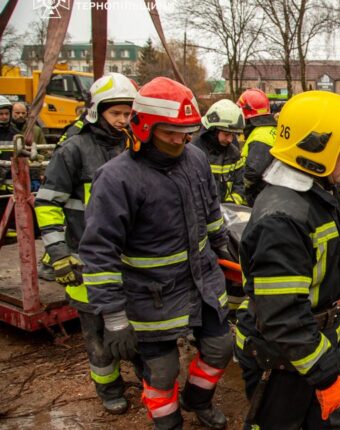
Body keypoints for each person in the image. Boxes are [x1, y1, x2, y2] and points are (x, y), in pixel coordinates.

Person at [79, 77, 233, 430]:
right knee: (162, 371)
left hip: (202, 283)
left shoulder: (195, 158)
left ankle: (198, 400)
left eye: (187, 132)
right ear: (146, 128)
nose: (182, 140)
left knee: (221, 348)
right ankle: (168, 422)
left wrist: (222, 243)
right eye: (171, 133)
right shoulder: (116, 178)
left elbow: (210, 208)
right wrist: (114, 317)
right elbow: (99, 250)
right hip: (151, 294)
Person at [234, 91, 340, 429]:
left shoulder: (316, 195)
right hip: (286, 358)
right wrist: (324, 375)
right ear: (317, 149)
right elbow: (282, 314)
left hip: (318, 341)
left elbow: (335, 249)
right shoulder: (282, 219)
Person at [34, 73, 138, 414]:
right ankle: (109, 388)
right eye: (116, 114)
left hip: (130, 258)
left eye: (127, 113)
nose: (123, 120)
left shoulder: (133, 145)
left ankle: (145, 375)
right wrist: (59, 252)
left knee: (136, 324)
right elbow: (48, 203)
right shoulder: (74, 149)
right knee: (96, 333)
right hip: (86, 258)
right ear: (96, 111)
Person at [191, 99, 247, 205]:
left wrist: (230, 206)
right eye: (226, 134)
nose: (230, 140)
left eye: (233, 135)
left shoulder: (234, 154)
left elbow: (240, 185)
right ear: (213, 131)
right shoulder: (193, 152)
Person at [237, 88, 278, 205]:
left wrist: (238, 186)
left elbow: (252, 172)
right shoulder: (269, 130)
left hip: (258, 198)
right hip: (269, 196)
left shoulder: (260, 135)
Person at [11, 102, 47, 190]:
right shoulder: (7, 130)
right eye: (17, 113)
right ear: (12, 112)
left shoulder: (36, 130)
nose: (20, 115)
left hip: (33, 173)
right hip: (11, 171)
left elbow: (44, 152)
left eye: (23, 113)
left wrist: (43, 172)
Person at [0, 96, 19, 239]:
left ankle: (8, 230)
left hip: (10, 180)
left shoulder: (15, 133)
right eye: (1, 114)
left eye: (6, 113)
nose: (4, 117)